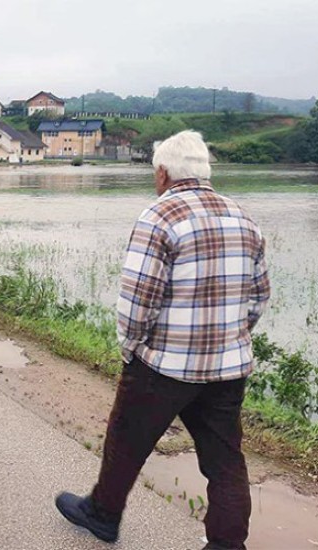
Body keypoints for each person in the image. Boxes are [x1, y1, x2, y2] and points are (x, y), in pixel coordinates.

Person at [55, 131, 271, 550]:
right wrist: (230, 338)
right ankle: (228, 544)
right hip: (228, 368)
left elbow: (138, 300)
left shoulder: (159, 216)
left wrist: (132, 347)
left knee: (126, 439)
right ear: (205, 171)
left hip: (164, 366)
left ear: (162, 172)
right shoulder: (244, 217)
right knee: (225, 459)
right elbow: (258, 297)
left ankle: (102, 514)